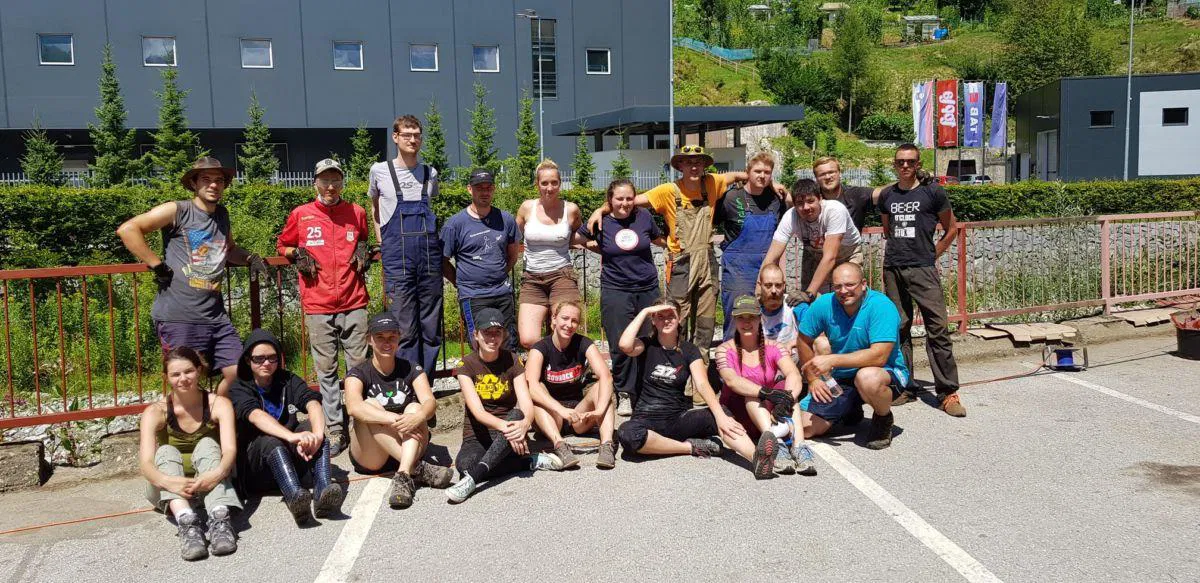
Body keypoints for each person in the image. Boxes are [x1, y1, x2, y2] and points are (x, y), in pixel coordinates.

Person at [587, 146, 788, 369]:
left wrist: (771, 183)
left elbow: (741, 175)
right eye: (688, 162)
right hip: (680, 263)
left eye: (699, 162)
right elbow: (629, 201)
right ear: (680, 165)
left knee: (706, 322)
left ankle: (700, 373)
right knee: (676, 319)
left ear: (704, 166)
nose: (694, 166)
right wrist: (601, 209)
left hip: (707, 261)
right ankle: (677, 373)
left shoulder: (713, 182)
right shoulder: (667, 191)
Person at [117, 156, 269, 396]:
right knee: (186, 382)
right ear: (193, 183)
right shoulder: (178, 210)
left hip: (215, 316)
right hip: (179, 316)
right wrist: (156, 265)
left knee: (239, 372)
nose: (213, 185)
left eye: (219, 180)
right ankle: (190, 418)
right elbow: (128, 229)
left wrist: (250, 258)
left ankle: (213, 410)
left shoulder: (222, 214)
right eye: (206, 179)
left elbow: (229, 249)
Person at [614, 298, 778, 479]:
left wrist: (720, 416)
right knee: (628, 434)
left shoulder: (689, 350)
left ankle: (757, 458)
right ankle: (690, 447)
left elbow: (702, 384)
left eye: (671, 316)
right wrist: (645, 311)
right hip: (646, 420)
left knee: (723, 413)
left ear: (679, 318)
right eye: (660, 316)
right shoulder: (645, 345)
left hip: (677, 419)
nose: (666, 320)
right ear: (653, 320)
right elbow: (624, 345)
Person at [277, 158, 370, 457]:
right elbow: (282, 245)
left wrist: (363, 248)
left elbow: (364, 239)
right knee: (326, 370)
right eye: (325, 180)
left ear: (342, 182)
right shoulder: (301, 214)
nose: (331, 186)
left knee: (358, 367)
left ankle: (360, 423)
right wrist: (296, 252)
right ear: (315, 182)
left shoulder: (356, 212)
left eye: (336, 180)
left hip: (354, 300)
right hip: (317, 303)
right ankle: (335, 429)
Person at [878, 144, 965, 417]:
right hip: (893, 268)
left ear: (918, 164)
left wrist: (931, 255)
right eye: (900, 162)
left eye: (910, 161)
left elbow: (951, 229)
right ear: (894, 164)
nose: (905, 166)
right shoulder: (887, 195)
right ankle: (905, 386)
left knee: (937, 328)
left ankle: (947, 392)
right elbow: (887, 229)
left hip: (923, 269)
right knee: (899, 328)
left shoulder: (933, 192)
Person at [446, 308, 566, 503]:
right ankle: (527, 462)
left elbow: (526, 404)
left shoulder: (513, 360)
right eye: (487, 332)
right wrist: (508, 429)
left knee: (517, 414)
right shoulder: (466, 365)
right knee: (465, 466)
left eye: (497, 332)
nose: (492, 338)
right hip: (479, 435)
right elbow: (478, 412)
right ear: (476, 335)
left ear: (503, 335)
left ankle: (473, 480)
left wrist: (524, 424)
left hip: (511, 430)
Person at [229, 329, 344, 524]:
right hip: (257, 468)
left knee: (310, 428)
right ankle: (295, 498)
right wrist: (291, 436)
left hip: (289, 461)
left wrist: (317, 435)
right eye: (259, 359)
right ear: (248, 360)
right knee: (270, 441)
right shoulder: (240, 387)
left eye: (272, 358)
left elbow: (312, 402)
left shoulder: (287, 380)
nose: (266, 363)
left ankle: (323, 493)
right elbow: (256, 416)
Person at [139, 347, 241, 561]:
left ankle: (220, 519)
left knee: (208, 443)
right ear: (166, 377)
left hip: (212, 480)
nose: (183, 379)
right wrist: (169, 482)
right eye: (175, 374)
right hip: (169, 488)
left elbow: (230, 450)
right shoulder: (155, 411)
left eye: (188, 371)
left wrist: (216, 474)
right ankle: (187, 523)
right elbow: (146, 463)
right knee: (165, 451)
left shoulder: (218, 404)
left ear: (199, 371)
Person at [344, 314, 454, 509]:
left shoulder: (412, 368)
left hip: (408, 444)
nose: (387, 343)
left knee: (415, 408)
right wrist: (393, 418)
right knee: (369, 405)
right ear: (369, 340)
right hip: (372, 456)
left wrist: (419, 416)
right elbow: (353, 407)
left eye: (392, 337)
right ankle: (418, 469)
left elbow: (430, 402)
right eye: (380, 337)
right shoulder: (358, 373)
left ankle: (403, 474)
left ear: (399, 338)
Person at [576, 179, 666, 417]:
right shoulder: (602, 221)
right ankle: (625, 392)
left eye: (629, 198)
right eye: (619, 198)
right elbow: (576, 238)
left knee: (649, 339)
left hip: (647, 288)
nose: (625, 203)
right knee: (619, 343)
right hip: (616, 289)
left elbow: (657, 238)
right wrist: (599, 246)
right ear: (610, 200)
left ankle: (647, 391)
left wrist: (675, 246)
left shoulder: (644, 217)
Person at [796, 263, 911, 450]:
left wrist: (832, 360)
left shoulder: (881, 306)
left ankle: (883, 418)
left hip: (884, 372)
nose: (843, 291)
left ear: (863, 284)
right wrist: (812, 379)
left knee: (867, 378)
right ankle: (850, 407)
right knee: (805, 428)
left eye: (850, 285)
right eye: (838, 286)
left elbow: (879, 356)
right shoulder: (824, 304)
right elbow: (803, 339)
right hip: (842, 377)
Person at [370, 115, 444, 377]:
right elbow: (375, 208)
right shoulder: (380, 171)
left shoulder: (430, 173)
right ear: (395, 137)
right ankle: (408, 382)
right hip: (397, 260)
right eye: (407, 134)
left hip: (429, 262)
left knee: (431, 327)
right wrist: (382, 241)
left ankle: (427, 381)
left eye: (416, 135)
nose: (412, 140)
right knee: (405, 327)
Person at [715, 295, 815, 476]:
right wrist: (766, 392)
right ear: (734, 320)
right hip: (739, 416)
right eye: (741, 318)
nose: (746, 322)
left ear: (760, 318)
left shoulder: (775, 346)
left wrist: (786, 399)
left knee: (787, 390)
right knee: (752, 393)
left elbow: (793, 373)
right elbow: (732, 381)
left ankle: (799, 446)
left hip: (769, 416)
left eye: (751, 317)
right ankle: (776, 444)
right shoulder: (724, 350)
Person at [525, 300, 618, 469]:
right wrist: (560, 410)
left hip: (578, 415)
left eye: (574, 321)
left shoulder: (584, 343)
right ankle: (559, 445)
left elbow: (606, 377)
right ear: (554, 319)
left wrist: (599, 410)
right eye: (565, 318)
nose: (569, 325)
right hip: (551, 415)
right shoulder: (540, 348)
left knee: (601, 387)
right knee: (538, 389)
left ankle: (606, 445)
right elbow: (531, 386)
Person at [441, 169, 520, 351]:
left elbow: (513, 254)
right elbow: (442, 261)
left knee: (508, 343)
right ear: (470, 189)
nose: (485, 192)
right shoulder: (455, 224)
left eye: (488, 188)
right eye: (479, 188)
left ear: (494, 189)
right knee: (480, 344)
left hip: (502, 293)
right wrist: (460, 282)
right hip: (473, 296)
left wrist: (499, 274)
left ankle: (508, 370)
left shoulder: (506, 219)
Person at [715, 151, 787, 339]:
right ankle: (731, 355)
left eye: (767, 172)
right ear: (748, 172)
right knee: (737, 317)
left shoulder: (775, 199)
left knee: (769, 320)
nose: (762, 176)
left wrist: (781, 272)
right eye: (757, 171)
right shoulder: (731, 198)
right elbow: (710, 220)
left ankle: (765, 356)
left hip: (768, 269)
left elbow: (781, 236)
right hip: (738, 270)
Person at [515, 159, 583, 349]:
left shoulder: (571, 209)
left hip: (562, 275)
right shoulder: (526, 208)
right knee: (528, 339)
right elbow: (514, 237)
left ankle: (562, 365)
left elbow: (578, 235)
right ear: (537, 184)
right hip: (532, 278)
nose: (549, 188)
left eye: (554, 182)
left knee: (565, 330)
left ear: (560, 184)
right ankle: (544, 360)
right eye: (544, 183)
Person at [762, 178, 863, 299]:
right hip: (817, 255)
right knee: (813, 301)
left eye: (810, 201)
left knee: (848, 295)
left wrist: (809, 293)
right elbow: (771, 257)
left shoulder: (835, 210)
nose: (806, 207)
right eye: (800, 203)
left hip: (847, 254)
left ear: (820, 198)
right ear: (794, 205)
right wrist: (759, 292)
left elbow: (830, 257)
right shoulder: (790, 216)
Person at [813, 156, 880, 233]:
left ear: (839, 173)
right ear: (816, 178)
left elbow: (883, 193)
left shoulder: (855, 195)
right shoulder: (810, 200)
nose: (827, 177)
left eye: (831, 172)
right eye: (822, 174)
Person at [757, 264, 799, 356]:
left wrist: (791, 344)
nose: (773, 291)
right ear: (760, 285)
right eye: (768, 285)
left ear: (784, 285)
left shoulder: (794, 303)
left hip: (792, 356)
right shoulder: (753, 309)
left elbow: (814, 334)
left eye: (778, 285)